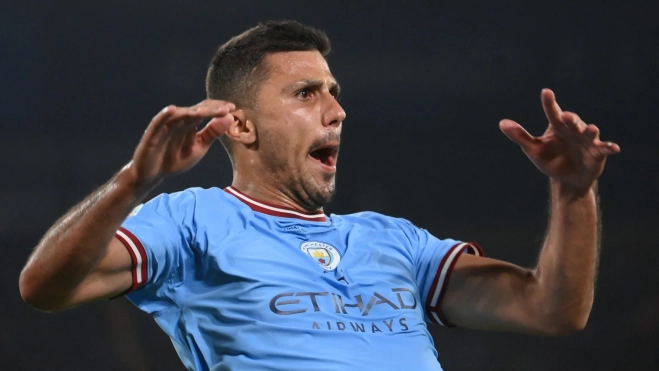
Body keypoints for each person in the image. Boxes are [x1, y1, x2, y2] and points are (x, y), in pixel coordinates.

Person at [18, 20, 620, 371]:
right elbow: (43, 288)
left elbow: (552, 310)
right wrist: (134, 181)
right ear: (242, 125)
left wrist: (573, 195)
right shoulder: (191, 221)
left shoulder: (395, 240)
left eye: (333, 91)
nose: (337, 111)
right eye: (307, 93)